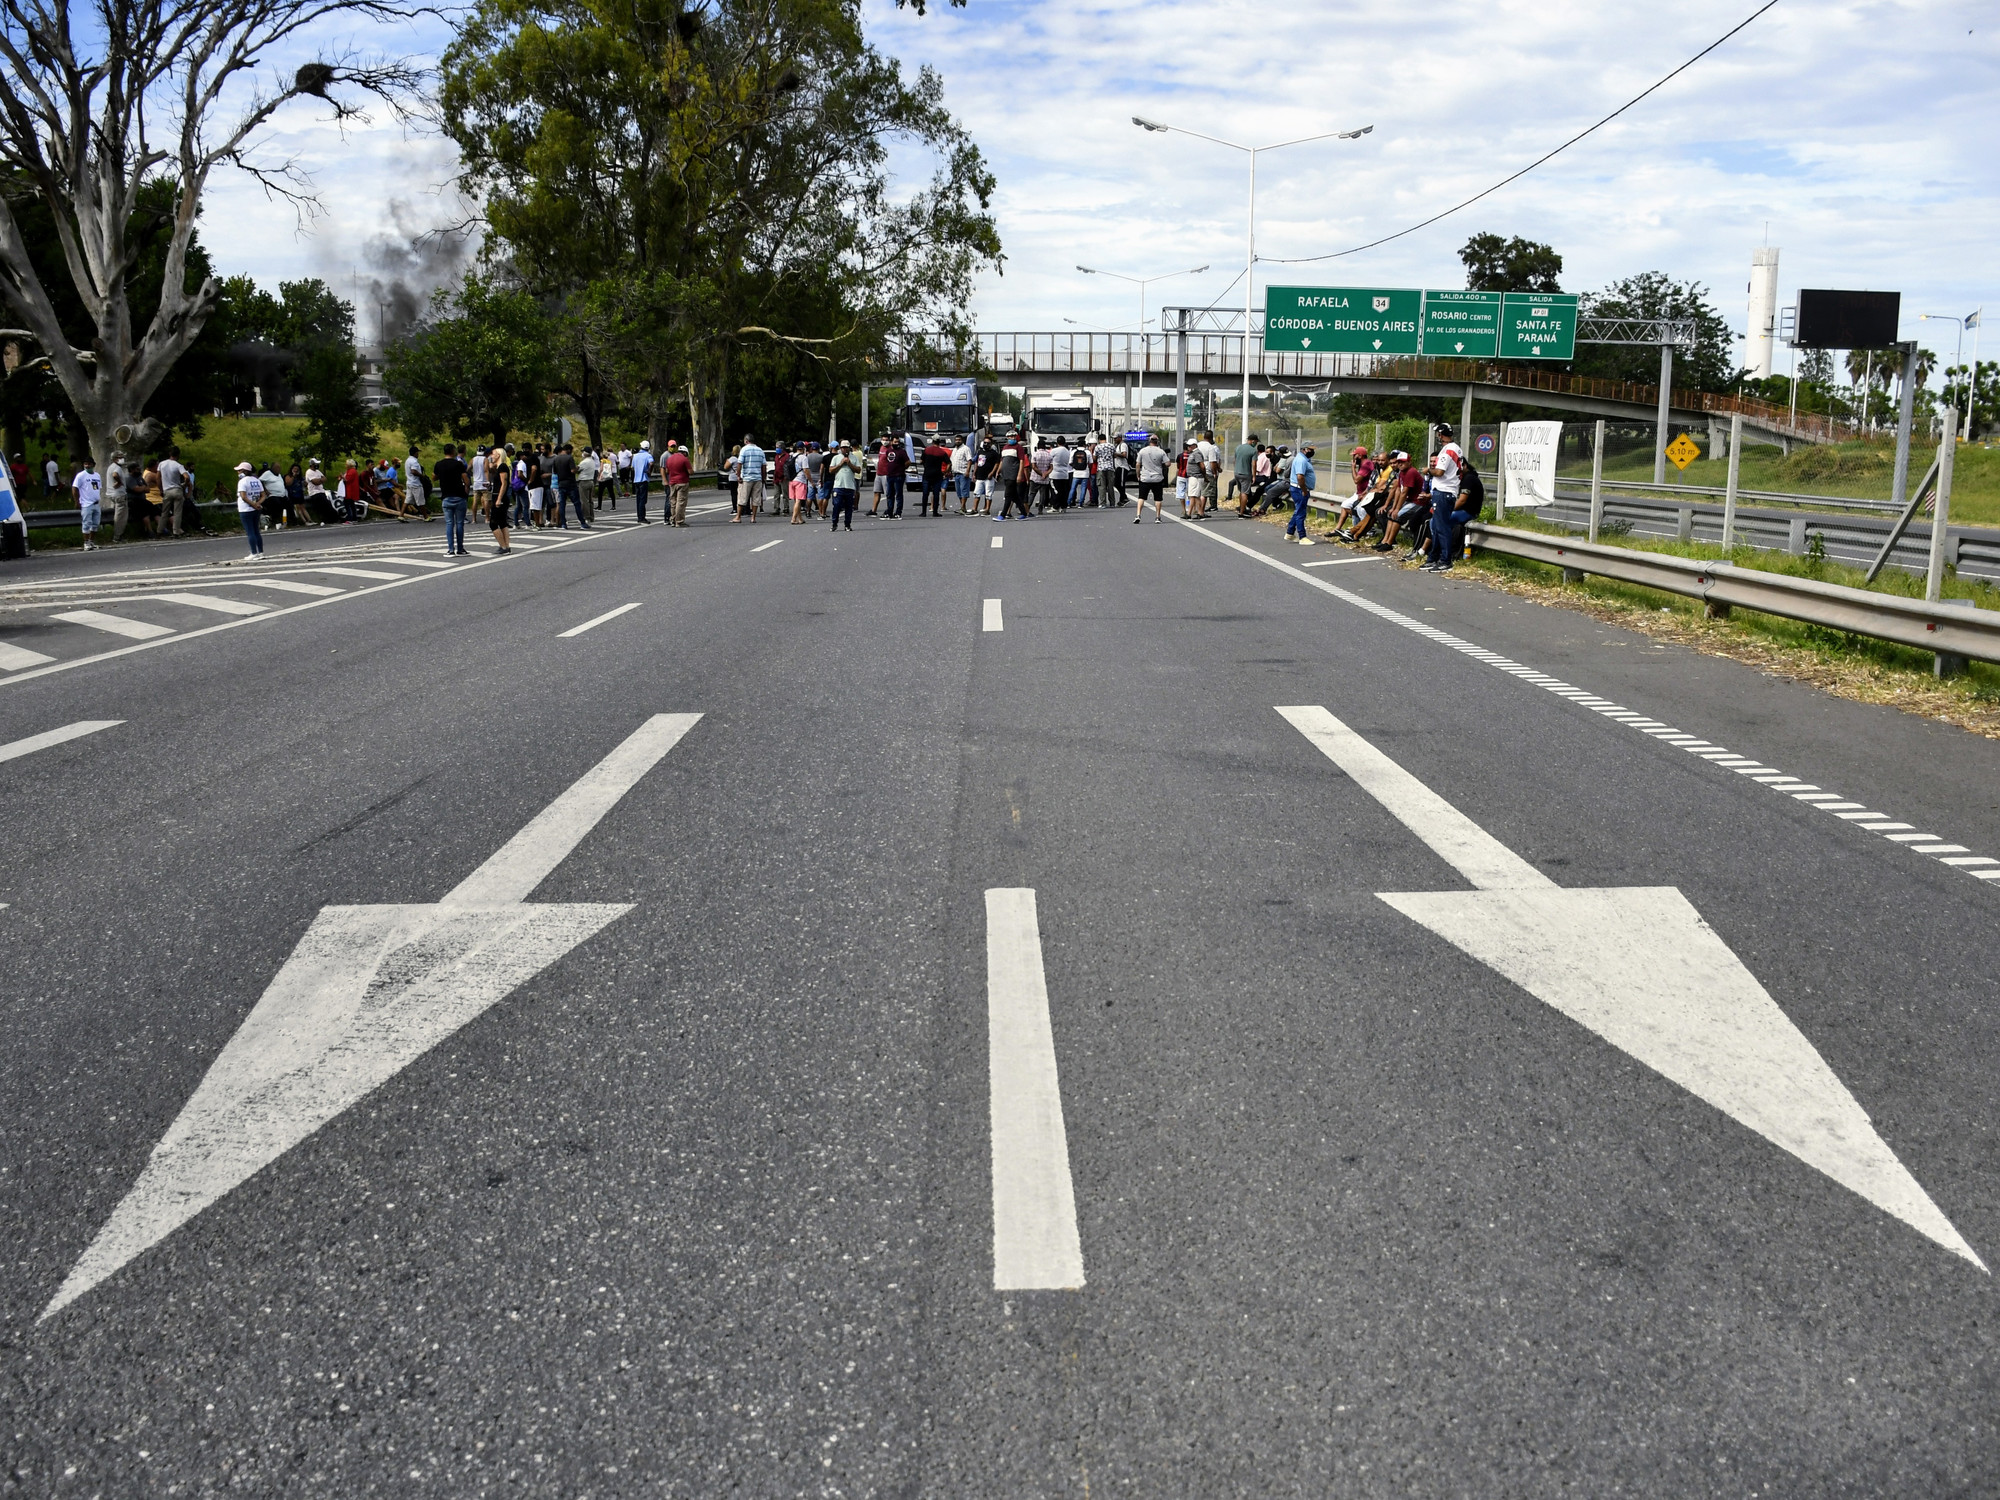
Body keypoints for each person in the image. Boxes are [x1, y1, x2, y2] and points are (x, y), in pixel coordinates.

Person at [1423, 423, 1471, 573]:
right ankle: (1434, 557)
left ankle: (1445, 560)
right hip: (1450, 491)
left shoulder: (1446, 451)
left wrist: (1428, 470)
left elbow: (1439, 472)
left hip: (1443, 491)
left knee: (1442, 528)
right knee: (1438, 526)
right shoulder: (1457, 448)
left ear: (1441, 435)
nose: (1437, 436)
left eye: (1438, 433)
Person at [434, 442, 469, 556]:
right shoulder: (458, 464)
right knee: (459, 523)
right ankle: (460, 548)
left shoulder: (439, 464)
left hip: (446, 497)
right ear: (453, 451)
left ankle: (450, 549)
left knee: (449, 523)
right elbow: (466, 480)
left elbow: (434, 477)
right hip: (459, 496)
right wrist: (466, 489)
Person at [1285, 444, 1317, 544]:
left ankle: (1290, 533)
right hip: (1299, 489)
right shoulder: (1301, 460)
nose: (1312, 451)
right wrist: (1304, 490)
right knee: (1301, 513)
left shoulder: (1303, 459)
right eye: (1310, 449)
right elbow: (1300, 477)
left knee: (1298, 511)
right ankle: (1302, 537)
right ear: (1304, 449)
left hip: (1299, 489)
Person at [157, 447, 194, 536]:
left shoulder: (162, 464)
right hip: (177, 490)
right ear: (178, 455)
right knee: (177, 512)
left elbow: (158, 477)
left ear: (170, 454)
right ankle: (176, 531)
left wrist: (161, 489)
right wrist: (184, 484)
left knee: (164, 512)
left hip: (166, 490)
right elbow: (187, 477)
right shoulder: (178, 465)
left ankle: (159, 530)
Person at [233, 460, 266, 557]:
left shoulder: (242, 482)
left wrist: (252, 504)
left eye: (239, 470)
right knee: (256, 531)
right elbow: (263, 495)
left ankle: (253, 553)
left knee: (250, 531)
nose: (238, 472)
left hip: (246, 509)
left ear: (244, 471)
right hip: (256, 509)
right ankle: (261, 552)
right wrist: (258, 503)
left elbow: (243, 496)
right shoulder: (257, 480)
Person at [1133, 433, 1168, 522]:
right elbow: (1168, 463)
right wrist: (1161, 464)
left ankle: (1138, 515)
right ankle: (1157, 517)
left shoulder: (1142, 451)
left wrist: (1138, 474)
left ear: (1149, 441)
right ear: (1157, 442)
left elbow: (1138, 464)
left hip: (1145, 477)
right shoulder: (1161, 451)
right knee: (1158, 498)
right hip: (1157, 478)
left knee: (1141, 497)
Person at [827, 439, 860, 530]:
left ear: (849, 448)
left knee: (849, 507)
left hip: (849, 486)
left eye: (846, 448)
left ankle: (847, 525)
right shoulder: (836, 458)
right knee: (837, 505)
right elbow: (831, 470)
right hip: (838, 485)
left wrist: (850, 464)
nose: (845, 450)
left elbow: (858, 470)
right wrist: (840, 464)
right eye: (843, 448)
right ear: (840, 448)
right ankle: (834, 523)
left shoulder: (853, 457)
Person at [73, 457, 102, 550]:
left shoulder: (97, 475)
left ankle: (91, 541)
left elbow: (97, 488)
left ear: (93, 465)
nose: (87, 466)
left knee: (95, 524)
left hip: (96, 503)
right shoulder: (81, 475)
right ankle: (86, 542)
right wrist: (77, 501)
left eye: (89, 464)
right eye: (85, 464)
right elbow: (74, 488)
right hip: (86, 503)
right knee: (86, 523)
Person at [997, 435, 1027, 520]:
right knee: (1014, 496)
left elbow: (1022, 461)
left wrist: (1020, 474)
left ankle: (1003, 514)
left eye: (1013, 437)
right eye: (1010, 437)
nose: (1012, 438)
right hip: (1005, 474)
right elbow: (1002, 460)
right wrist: (998, 471)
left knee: (1008, 495)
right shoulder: (1005, 448)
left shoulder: (1019, 448)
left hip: (1013, 474)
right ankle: (1024, 513)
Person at [737, 434, 767, 521]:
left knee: (742, 498)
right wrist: (763, 478)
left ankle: (738, 517)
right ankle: (753, 517)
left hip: (747, 477)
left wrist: (738, 476)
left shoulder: (744, 449)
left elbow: (739, 463)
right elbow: (764, 466)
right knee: (756, 499)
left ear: (746, 441)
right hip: (757, 478)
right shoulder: (760, 450)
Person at [663, 439, 693, 526]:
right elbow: (690, 472)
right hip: (682, 482)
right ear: (685, 453)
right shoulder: (684, 459)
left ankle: (672, 519)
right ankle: (679, 521)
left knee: (673, 502)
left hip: (672, 482)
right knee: (681, 502)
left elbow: (667, 471)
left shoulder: (669, 459)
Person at [920, 435, 950, 516]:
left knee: (925, 494)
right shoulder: (942, 452)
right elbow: (949, 463)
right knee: (936, 493)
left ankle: (923, 512)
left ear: (932, 441)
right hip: (937, 475)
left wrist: (925, 466)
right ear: (939, 442)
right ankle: (935, 512)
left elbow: (921, 461)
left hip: (927, 474)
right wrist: (945, 472)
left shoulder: (927, 450)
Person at [879, 434, 906, 518]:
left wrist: (902, 468)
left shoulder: (901, 451)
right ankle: (889, 511)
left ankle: (898, 512)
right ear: (891, 442)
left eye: (897, 442)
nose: (896, 443)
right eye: (895, 442)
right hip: (890, 475)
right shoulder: (888, 451)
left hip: (899, 475)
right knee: (889, 494)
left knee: (898, 494)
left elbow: (908, 462)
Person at [1231, 431, 1259, 507]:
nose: (1256, 444)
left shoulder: (1238, 447)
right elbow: (1254, 464)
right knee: (1245, 493)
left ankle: (1240, 507)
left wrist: (1236, 469)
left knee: (1241, 491)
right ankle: (1242, 511)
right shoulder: (1253, 451)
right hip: (1246, 474)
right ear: (1253, 441)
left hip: (1237, 473)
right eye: (1256, 442)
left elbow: (1234, 460)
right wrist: (1254, 476)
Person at [972, 435, 999, 514]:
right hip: (979, 476)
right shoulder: (980, 452)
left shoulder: (994, 453)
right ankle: (974, 508)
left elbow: (997, 464)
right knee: (976, 493)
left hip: (989, 477)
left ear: (991, 444)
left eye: (988, 443)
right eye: (985, 443)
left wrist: (992, 473)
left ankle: (987, 509)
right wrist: (974, 473)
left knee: (988, 494)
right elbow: (977, 463)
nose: (986, 444)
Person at [631, 438, 654, 521]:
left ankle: (639, 516)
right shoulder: (648, 455)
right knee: (643, 500)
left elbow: (632, 468)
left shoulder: (635, 456)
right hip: (644, 479)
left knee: (638, 499)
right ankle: (642, 517)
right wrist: (649, 471)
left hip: (636, 479)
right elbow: (651, 463)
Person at [577, 446, 598, 521]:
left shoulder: (584, 462)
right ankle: (591, 516)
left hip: (584, 482)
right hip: (591, 481)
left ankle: (586, 516)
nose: (582, 453)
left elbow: (577, 469)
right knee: (590, 500)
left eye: (583, 452)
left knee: (584, 500)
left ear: (586, 453)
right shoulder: (592, 461)